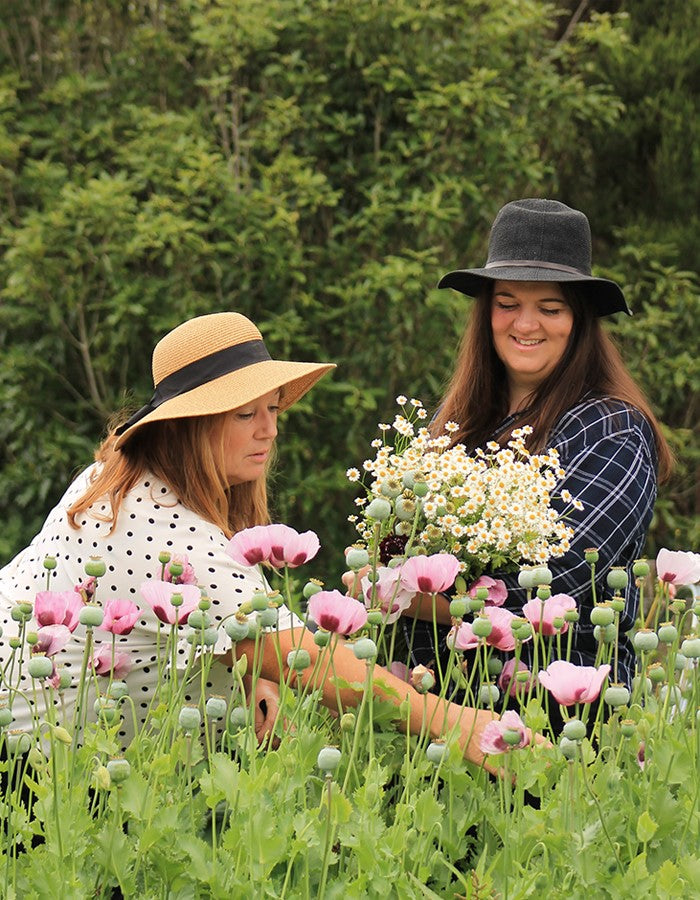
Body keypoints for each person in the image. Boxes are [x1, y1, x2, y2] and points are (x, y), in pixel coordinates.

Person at [0, 311, 504, 766]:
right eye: (246, 415)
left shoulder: (117, 474)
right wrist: (459, 725)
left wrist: (252, 672)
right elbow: (316, 668)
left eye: (273, 410)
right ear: (189, 425)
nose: (269, 431)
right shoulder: (163, 528)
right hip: (29, 769)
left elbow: (240, 638)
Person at [400, 199, 672, 690]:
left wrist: (408, 594)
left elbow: (555, 585)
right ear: (487, 314)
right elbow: (393, 544)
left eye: (550, 308)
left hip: (549, 712)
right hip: (424, 712)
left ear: (580, 320)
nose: (525, 325)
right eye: (507, 304)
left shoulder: (611, 429)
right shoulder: (454, 424)